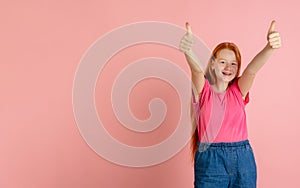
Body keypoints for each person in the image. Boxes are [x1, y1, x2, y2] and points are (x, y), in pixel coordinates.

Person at [179, 21, 281, 188]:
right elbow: (196, 71)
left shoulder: (238, 91)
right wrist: (188, 50)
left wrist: (269, 48)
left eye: (234, 63)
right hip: (211, 161)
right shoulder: (203, 91)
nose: (228, 67)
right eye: (222, 62)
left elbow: (252, 71)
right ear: (212, 64)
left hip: (243, 160)